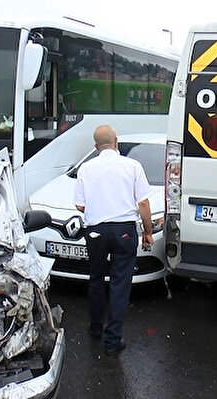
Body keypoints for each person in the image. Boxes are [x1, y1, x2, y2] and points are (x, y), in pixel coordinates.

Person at [73, 125, 154, 356]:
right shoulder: (132, 166)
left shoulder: (86, 169)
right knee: (120, 283)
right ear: (116, 142)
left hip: (96, 231)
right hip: (124, 231)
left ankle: (96, 327)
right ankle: (113, 340)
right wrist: (147, 233)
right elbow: (144, 204)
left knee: (96, 278)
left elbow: (80, 205)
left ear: (95, 146)